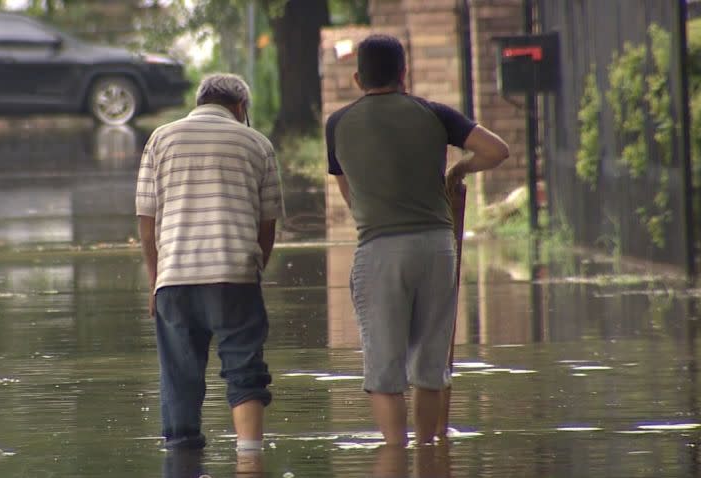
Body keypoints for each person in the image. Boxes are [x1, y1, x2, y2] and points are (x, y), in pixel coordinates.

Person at [325, 34, 509, 446]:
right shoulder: (435, 114)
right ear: (404, 74)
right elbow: (497, 151)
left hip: (378, 250)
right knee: (430, 365)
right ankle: (428, 453)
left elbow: (348, 193)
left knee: (385, 370)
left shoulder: (337, 125)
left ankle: (394, 455)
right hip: (436, 248)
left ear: (357, 79)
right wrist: (458, 170)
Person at [136, 73, 282, 452]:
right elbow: (267, 227)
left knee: (179, 376)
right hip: (234, 275)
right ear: (240, 107)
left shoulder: (160, 140)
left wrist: (155, 279)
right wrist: (254, 270)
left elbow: (146, 221)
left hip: (175, 278)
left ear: (200, 102)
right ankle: (250, 459)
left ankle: (182, 470)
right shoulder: (258, 144)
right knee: (244, 369)